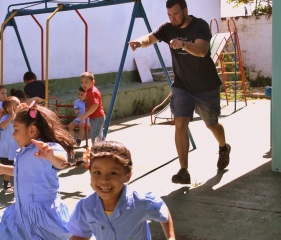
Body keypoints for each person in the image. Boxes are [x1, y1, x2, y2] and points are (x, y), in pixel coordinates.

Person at [129, 0, 231, 184]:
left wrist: (183, 44)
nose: (172, 18)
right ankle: (184, 171)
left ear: (185, 10)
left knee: (212, 124)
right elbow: (150, 38)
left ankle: (224, 147)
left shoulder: (199, 26)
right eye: (169, 15)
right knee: (180, 123)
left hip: (206, 87)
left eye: (175, 14)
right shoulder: (168, 28)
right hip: (182, 85)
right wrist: (139, 42)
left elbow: (202, 50)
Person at [0, 103, 76, 240]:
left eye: (16, 130)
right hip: (21, 212)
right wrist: (2, 169)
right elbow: (23, 172)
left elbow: (62, 163)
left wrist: (50, 155)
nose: (13, 135)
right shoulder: (23, 151)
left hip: (44, 214)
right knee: (4, 231)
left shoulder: (47, 148)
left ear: (32, 130)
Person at [67, 140, 176, 240]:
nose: (104, 180)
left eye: (113, 173)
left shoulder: (142, 202)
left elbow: (162, 211)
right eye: (97, 172)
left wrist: (171, 236)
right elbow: (80, 235)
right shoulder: (85, 207)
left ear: (127, 176)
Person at [0, 96, 22, 193]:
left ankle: (19, 184)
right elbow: (2, 126)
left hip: (17, 145)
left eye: (19, 103)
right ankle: (6, 182)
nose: (20, 105)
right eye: (17, 104)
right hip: (7, 147)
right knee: (7, 166)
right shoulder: (6, 117)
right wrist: (11, 115)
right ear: (9, 109)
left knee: (18, 166)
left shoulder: (20, 116)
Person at [78, 72, 105, 145]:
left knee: (95, 138)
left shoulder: (93, 92)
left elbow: (95, 105)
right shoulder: (89, 91)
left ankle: (97, 152)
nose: (83, 84)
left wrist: (85, 115)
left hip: (97, 117)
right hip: (95, 117)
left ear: (93, 82)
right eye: (82, 82)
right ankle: (100, 151)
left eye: (86, 82)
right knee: (98, 136)